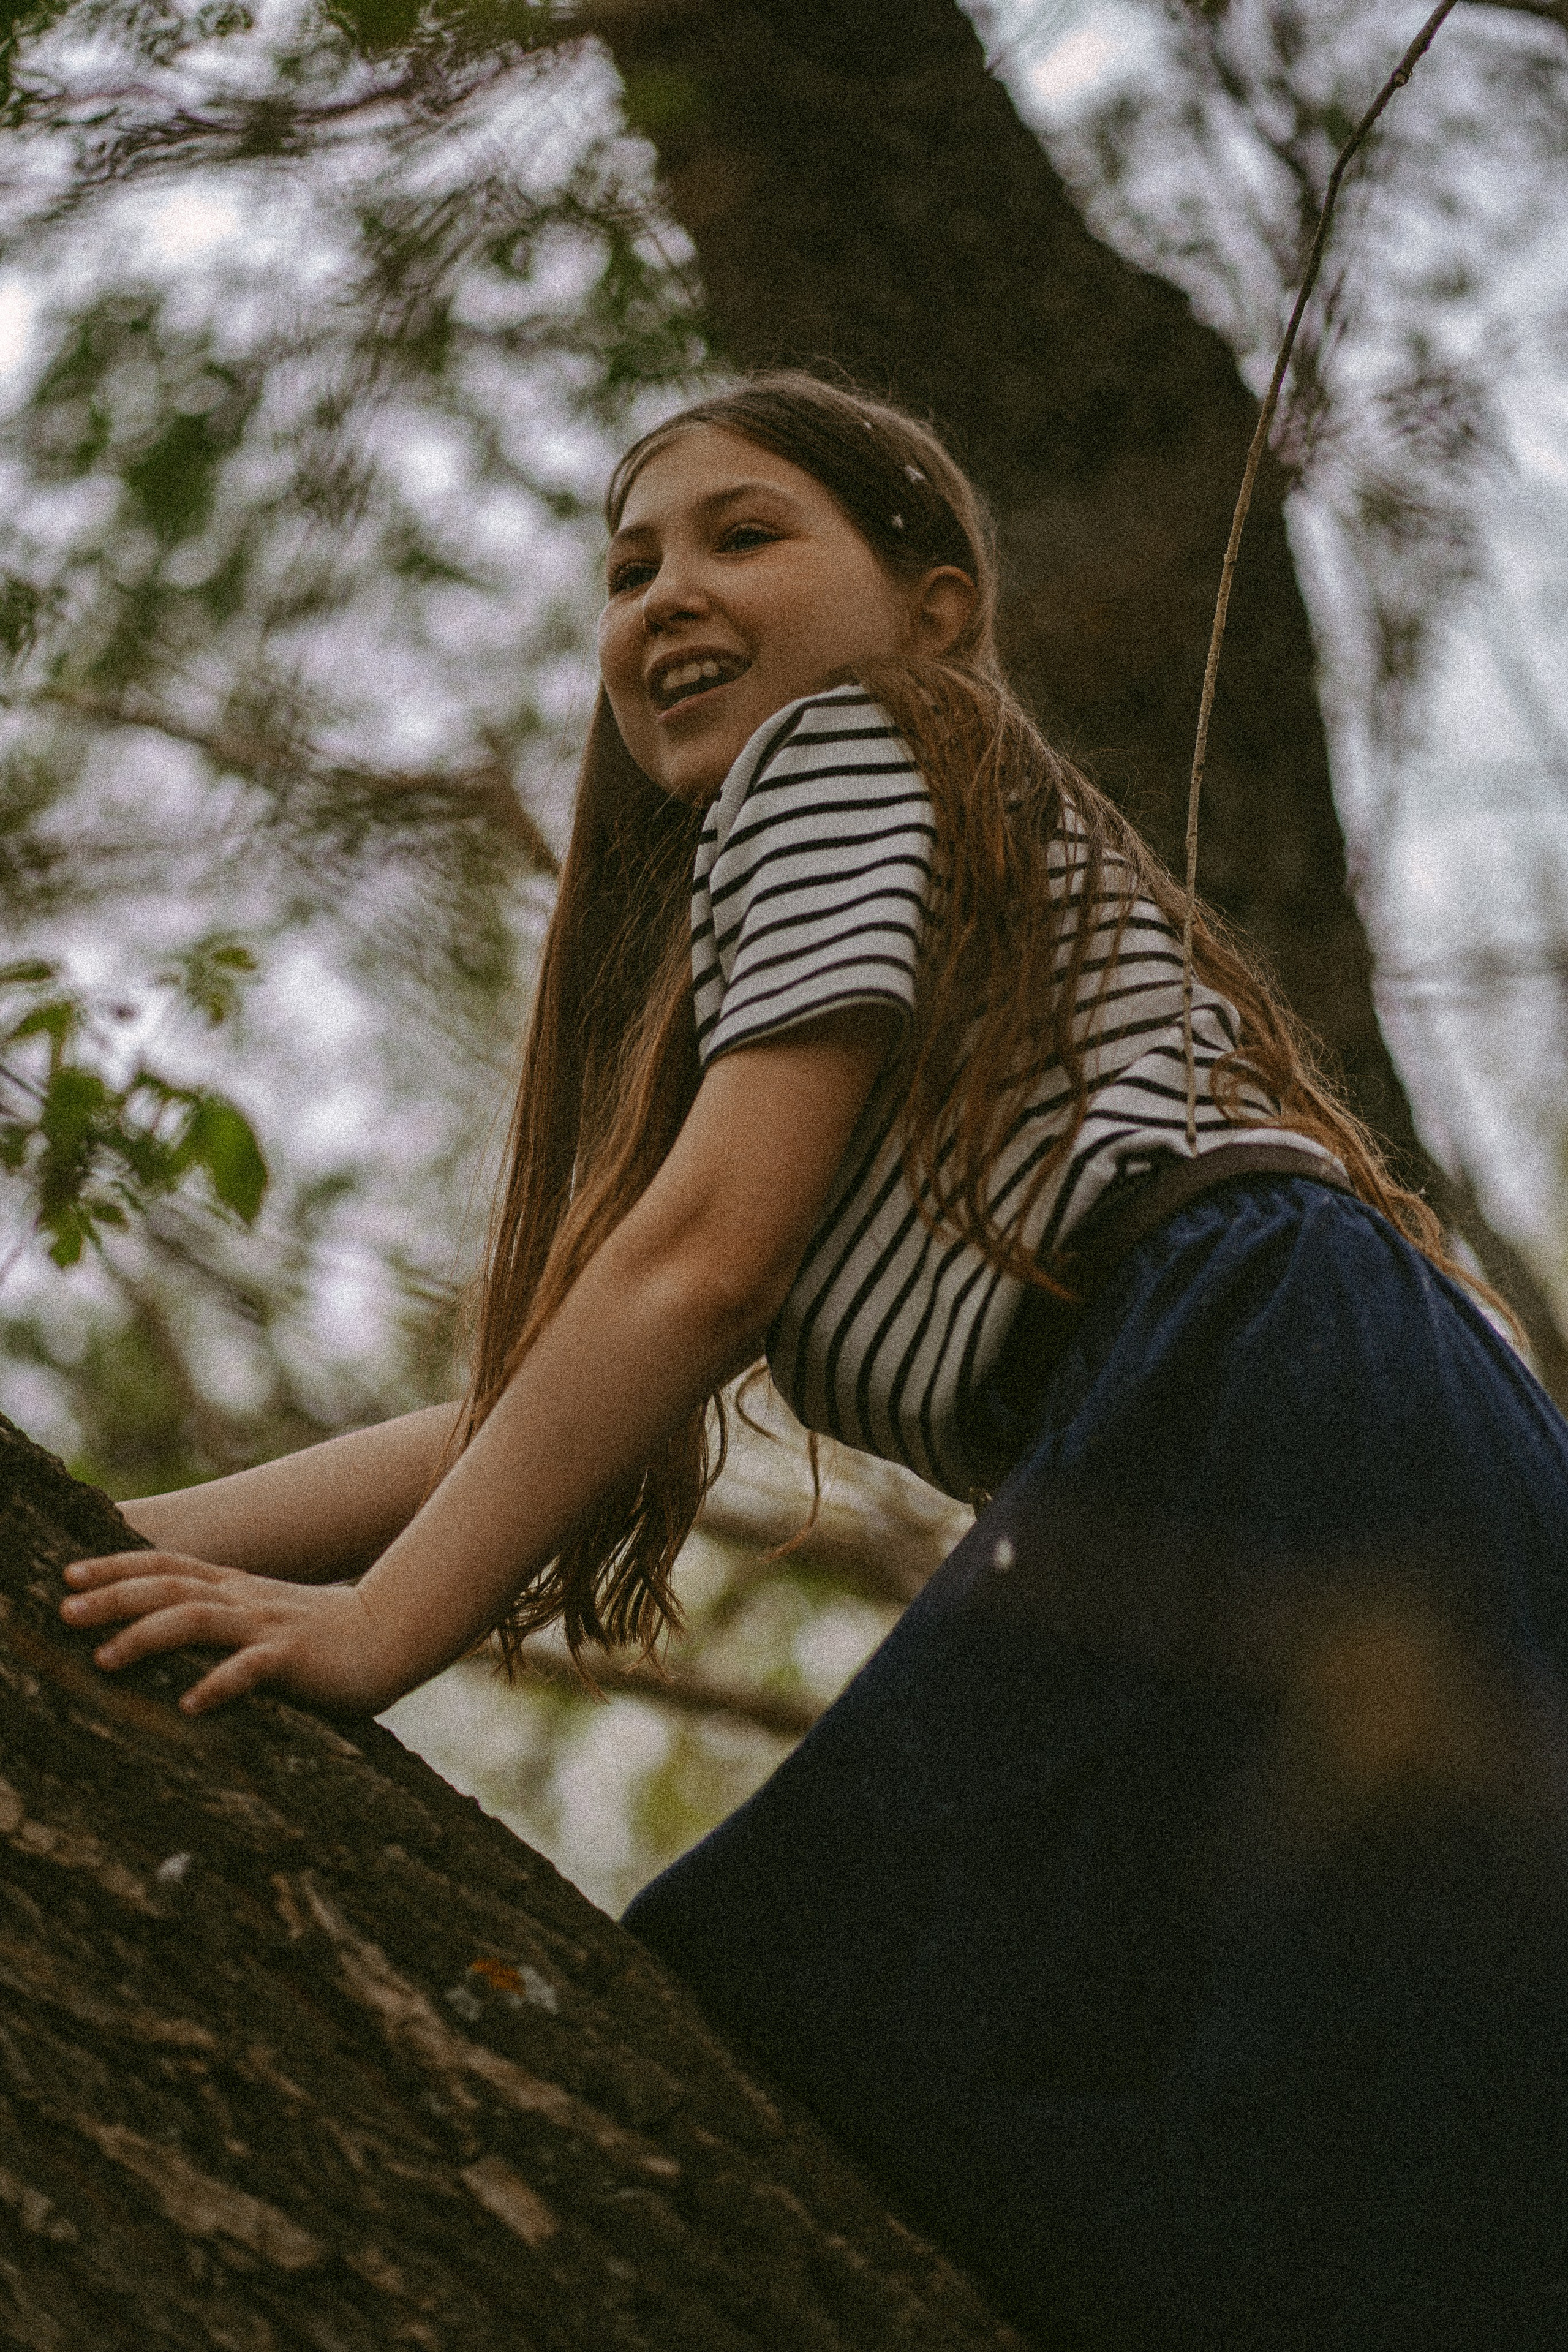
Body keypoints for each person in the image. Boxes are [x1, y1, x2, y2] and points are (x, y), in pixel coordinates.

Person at [61, 375, 1568, 2346]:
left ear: (936, 609)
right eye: (628, 569)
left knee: (837, 2017)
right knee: (1333, 2169)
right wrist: (89, 1540)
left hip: (1257, 1391)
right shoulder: (878, 895)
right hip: (1349, 1419)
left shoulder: (848, 742)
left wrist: (370, 1636)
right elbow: (540, 1406)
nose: (667, 593)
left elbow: (699, 1272)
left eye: (744, 533)